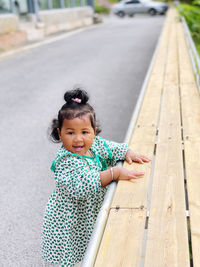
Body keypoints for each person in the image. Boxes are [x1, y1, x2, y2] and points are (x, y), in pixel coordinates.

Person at [41, 88, 150, 267]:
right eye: (70, 132)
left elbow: (112, 148)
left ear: (94, 131)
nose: (78, 139)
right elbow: (81, 186)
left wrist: (128, 152)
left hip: (87, 216)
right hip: (69, 224)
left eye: (84, 132)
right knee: (74, 259)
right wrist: (113, 173)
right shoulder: (66, 161)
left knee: (92, 249)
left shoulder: (96, 145)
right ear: (60, 133)